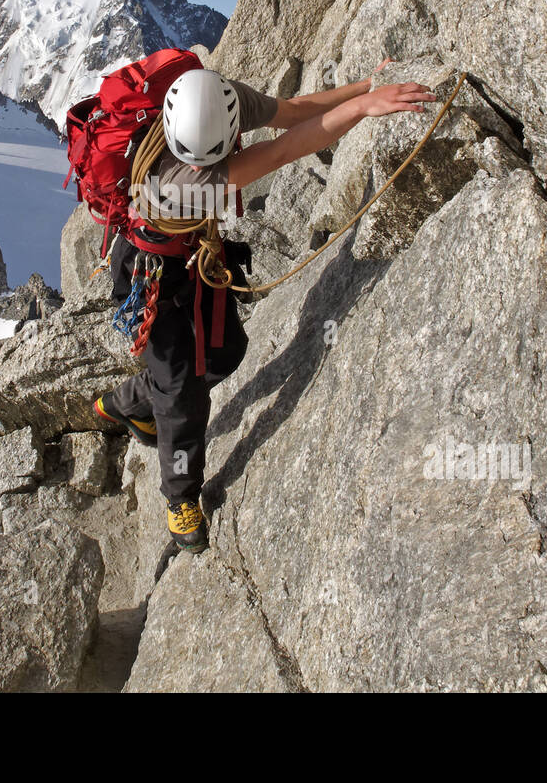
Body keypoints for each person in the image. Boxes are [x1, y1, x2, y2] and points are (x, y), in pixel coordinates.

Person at [94, 63, 436, 551]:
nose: (199, 165)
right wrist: (362, 107)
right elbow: (284, 148)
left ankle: (128, 401)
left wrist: (364, 87)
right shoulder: (183, 182)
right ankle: (180, 497)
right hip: (148, 273)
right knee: (182, 393)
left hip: (190, 255)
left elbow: (291, 112)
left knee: (225, 353)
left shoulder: (216, 99)